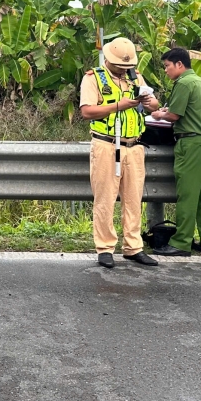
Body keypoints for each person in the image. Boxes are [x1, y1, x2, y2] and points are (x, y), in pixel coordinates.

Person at [79, 37, 161, 268]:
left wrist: (148, 100)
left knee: (134, 198)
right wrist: (119, 106)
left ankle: (133, 247)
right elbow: (87, 111)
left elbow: (154, 106)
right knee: (105, 198)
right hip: (106, 145)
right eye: (120, 66)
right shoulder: (93, 78)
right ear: (108, 59)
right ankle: (105, 248)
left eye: (128, 66)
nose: (125, 70)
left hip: (134, 146)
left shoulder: (136, 76)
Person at [150, 48, 201, 257]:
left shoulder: (183, 83)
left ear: (179, 64)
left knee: (188, 194)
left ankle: (181, 242)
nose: (166, 71)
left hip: (190, 143)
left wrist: (158, 114)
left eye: (167, 66)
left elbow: (174, 115)